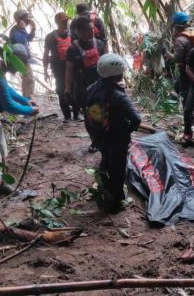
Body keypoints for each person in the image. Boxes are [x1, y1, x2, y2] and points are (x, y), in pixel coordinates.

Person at [85, 53, 141, 213]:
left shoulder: (91, 88)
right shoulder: (118, 95)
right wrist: (127, 130)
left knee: (105, 160)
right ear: (119, 74)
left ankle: (103, 186)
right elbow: (136, 118)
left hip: (98, 134)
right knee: (118, 168)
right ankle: (116, 200)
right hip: (117, 138)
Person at [0, 58, 39, 195]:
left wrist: (25, 101)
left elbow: (6, 89)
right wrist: (30, 111)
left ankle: (2, 184)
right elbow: (9, 105)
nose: (18, 69)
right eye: (17, 66)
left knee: (2, 151)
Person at [65, 15, 106, 152]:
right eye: (88, 29)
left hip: (101, 86)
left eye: (92, 28)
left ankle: (103, 138)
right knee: (89, 115)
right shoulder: (73, 49)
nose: (92, 31)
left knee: (103, 113)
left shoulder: (99, 44)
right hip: (83, 88)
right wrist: (67, 89)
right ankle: (95, 141)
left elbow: (106, 63)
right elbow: (69, 70)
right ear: (79, 32)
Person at [43, 12, 80, 121]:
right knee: (60, 89)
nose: (65, 23)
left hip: (72, 66)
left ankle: (77, 113)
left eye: (66, 21)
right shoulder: (50, 37)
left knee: (74, 88)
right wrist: (45, 71)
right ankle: (67, 114)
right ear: (57, 22)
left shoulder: (73, 35)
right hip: (58, 67)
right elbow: (46, 55)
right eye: (63, 21)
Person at [169, 11, 194, 105]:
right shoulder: (192, 33)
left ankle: (189, 115)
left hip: (186, 70)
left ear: (177, 26)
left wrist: (167, 53)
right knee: (177, 86)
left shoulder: (180, 39)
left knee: (184, 91)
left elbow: (177, 58)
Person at [9, 9, 36, 98]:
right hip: (20, 59)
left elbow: (28, 39)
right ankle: (28, 100)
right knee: (29, 80)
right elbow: (18, 42)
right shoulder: (15, 30)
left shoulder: (21, 29)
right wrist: (23, 28)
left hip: (23, 58)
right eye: (26, 17)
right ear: (20, 19)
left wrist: (33, 29)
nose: (28, 19)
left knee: (27, 79)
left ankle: (27, 99)